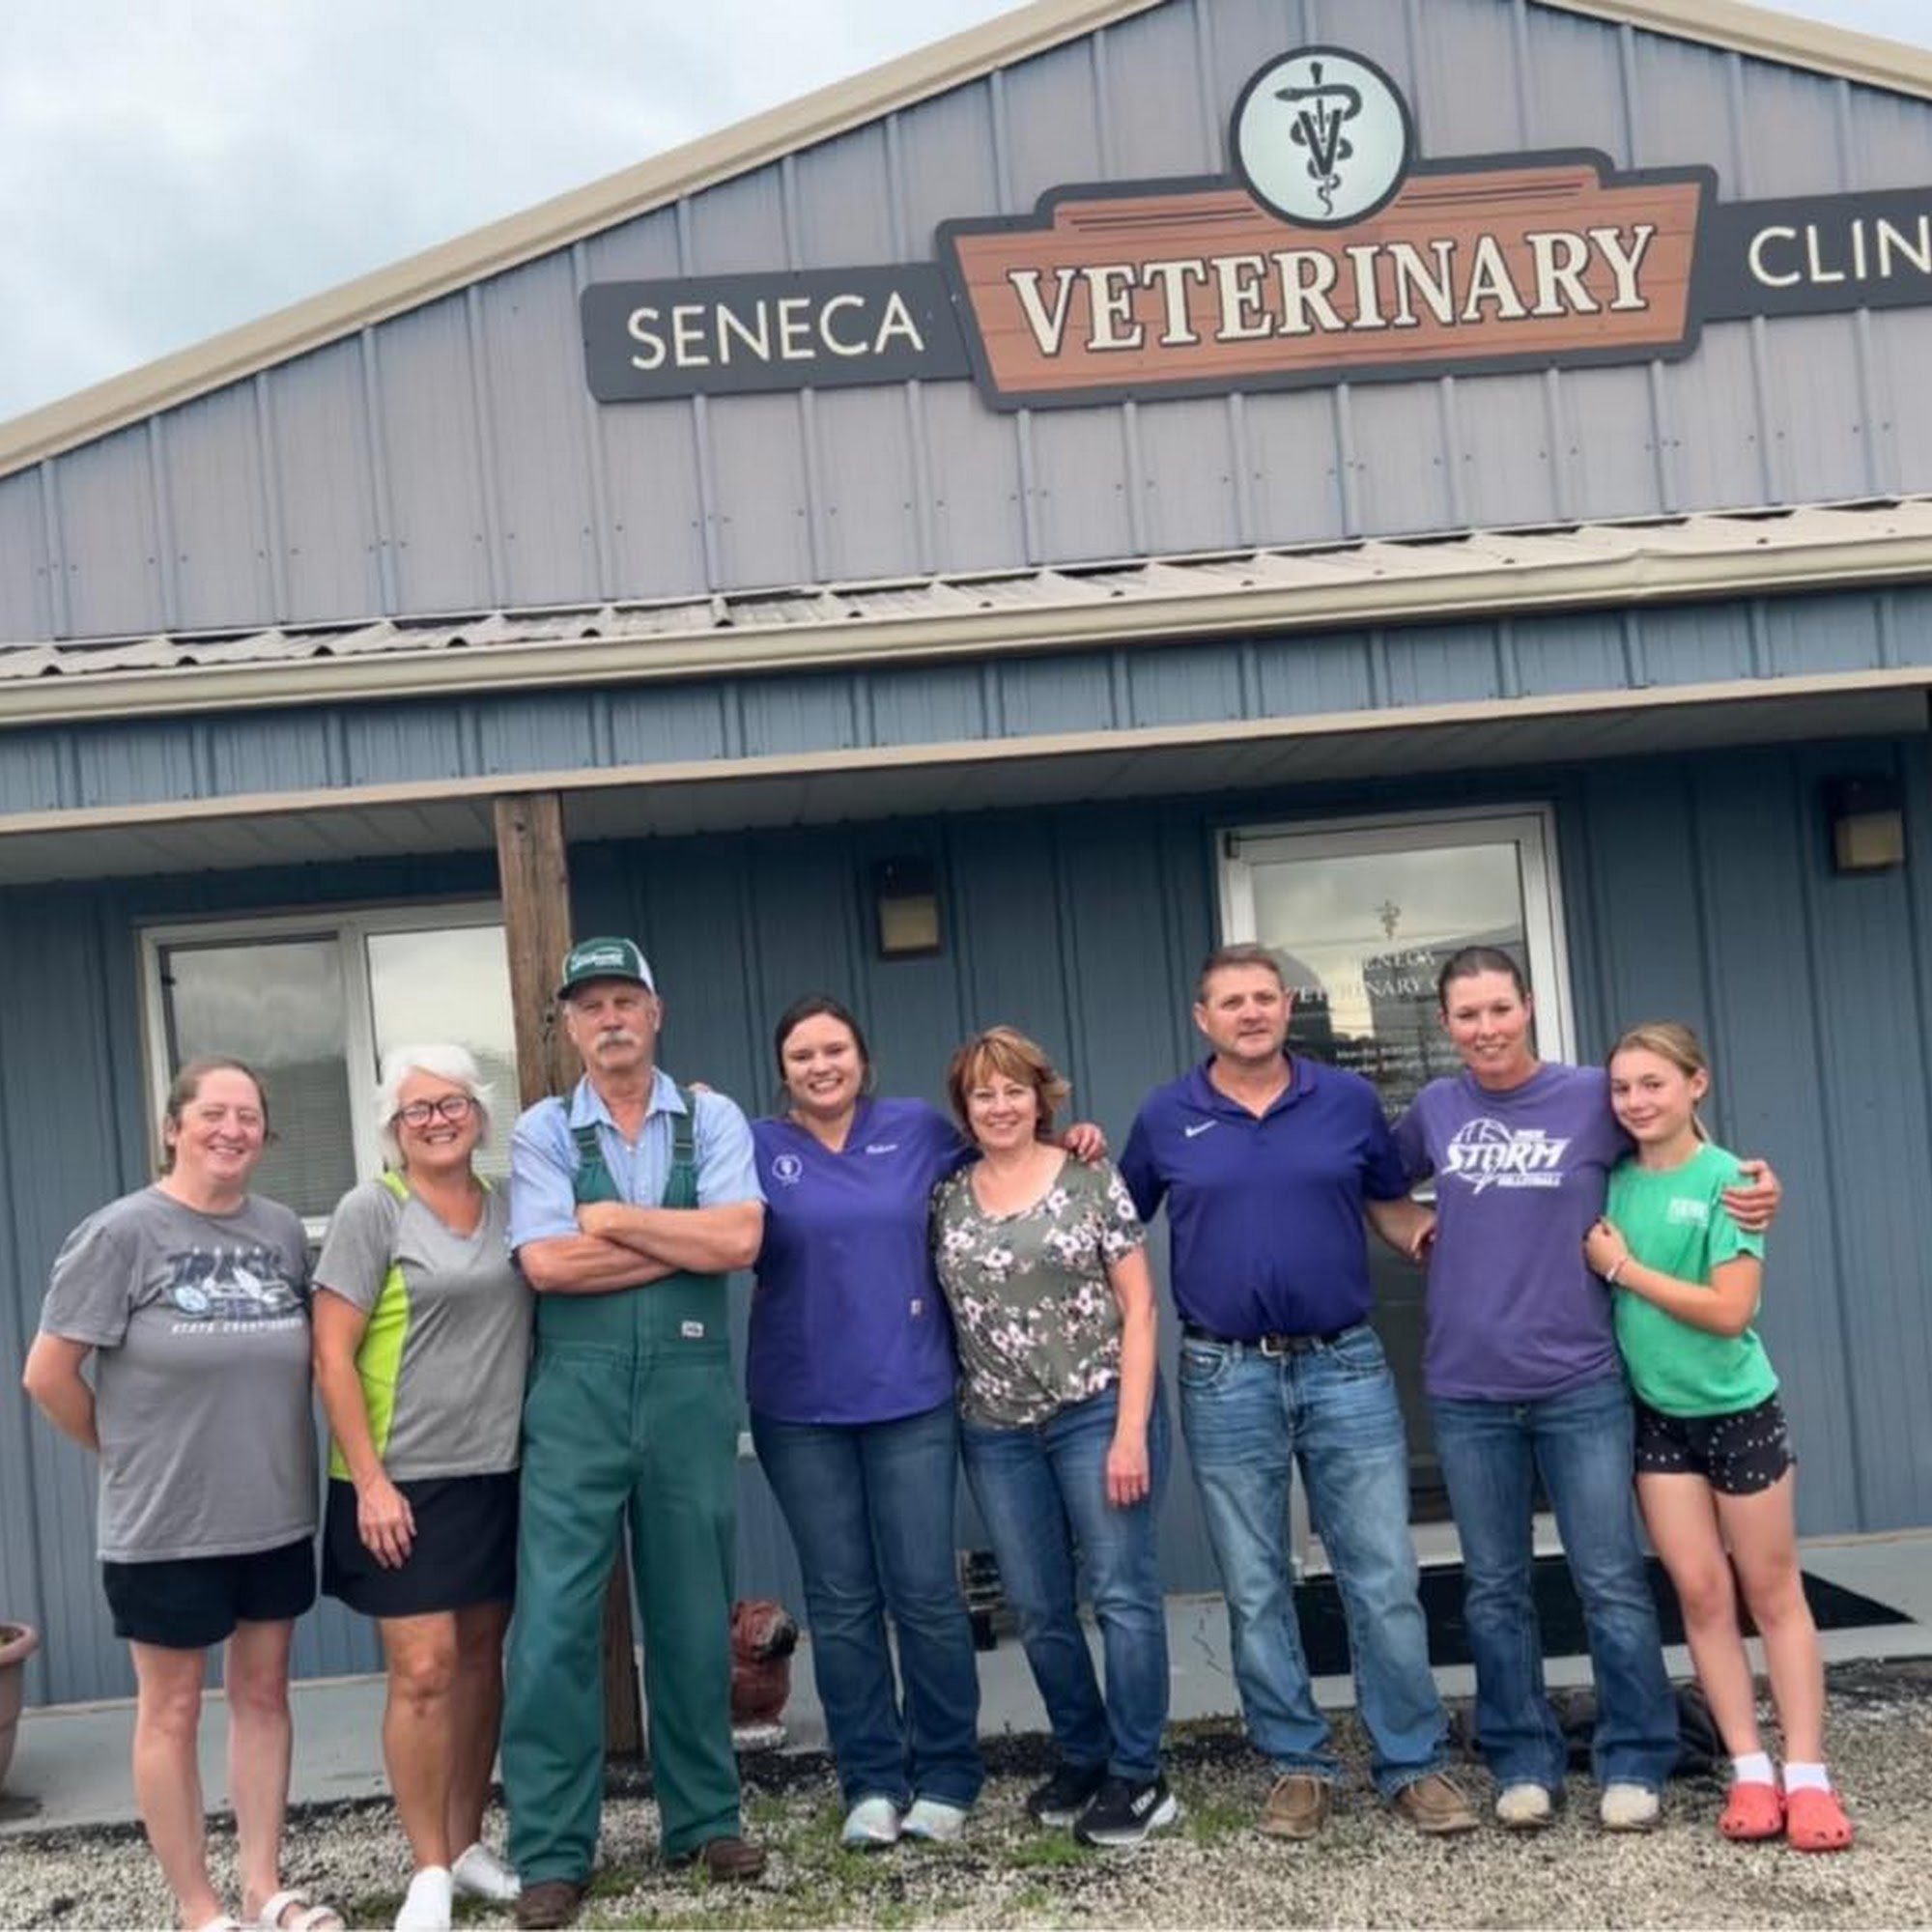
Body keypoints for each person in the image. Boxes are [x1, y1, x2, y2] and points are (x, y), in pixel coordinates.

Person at [1395, 947, 1778, 1833]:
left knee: (1609, 1578)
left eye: (1499, 1008)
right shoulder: (1435, 1109)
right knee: (1495, 1587)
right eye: (1467, 1015)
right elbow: (1373, 1182)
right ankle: (1521, 1760)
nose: (1485, 1028)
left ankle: (1636, 1756)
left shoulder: (1588, 1098)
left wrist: (1753, 1186)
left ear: (1527, 1006)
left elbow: (1676, 1145)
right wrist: (1410, 1223)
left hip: (1581, 1383)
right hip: (1468, 1388)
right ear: (1446, 1024)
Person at [1119, 945, 1478, 1841]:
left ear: (1287, 1007)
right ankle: (1298, 1764)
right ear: (1203, 1018)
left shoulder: (1347, 1101)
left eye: (1264, 997)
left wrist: (1482, 1237)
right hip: (1224, 1373)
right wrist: (1069, 1151)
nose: (1250, 1013)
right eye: (1231, 1001)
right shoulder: (1166, 1116)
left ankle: (1412, 1761)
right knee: (1255, 1584)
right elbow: (1111, 1224)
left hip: (1344, 1365)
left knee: (1383, 1575)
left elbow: (1392, 1207)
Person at [21, 1059, 342, 1932]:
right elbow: (47, 1375)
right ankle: (200, 1909)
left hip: (273, 1515)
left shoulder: (281, 1232)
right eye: (213, 1114)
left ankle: (263, 1887)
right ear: (173, 1128)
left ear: (265, 1135)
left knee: (264, 1696)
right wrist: (121, 1450)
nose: (232, 1130)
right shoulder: (120, 1233)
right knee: (169, 1710)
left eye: (248, 1117)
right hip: (164, 1524)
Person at [501, 937, 766, 1932]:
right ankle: (551, 1852)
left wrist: (609, 1219)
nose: (609, 1018)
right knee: (555, 1625)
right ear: (570, 1026)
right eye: (590, 1005)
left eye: (624, 1000)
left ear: (655, 1012)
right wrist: (679, 1237)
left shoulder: (713, 1117)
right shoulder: (540, 1130)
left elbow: (741, 1240)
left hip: (690, 1392)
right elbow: (546, 1267)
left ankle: (703, 1820)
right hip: (575, 1395)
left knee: (693, 1615)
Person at [1584, 1022, 1851, 1853]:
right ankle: (1749, 1768)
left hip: (1738, 1412)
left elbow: (1731, 1309)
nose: (1635, 1101)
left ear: (1696, 1084)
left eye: (1653, 1084)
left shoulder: (1731, 1181)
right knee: (1701, 1594)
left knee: (1772, 1593)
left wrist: (1624, 1270)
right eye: (1622, 1088)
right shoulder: (1610, 1182)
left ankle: (1807, 1774)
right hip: (1657, 1418)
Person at [746, 996, 984, 1849]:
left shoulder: (916, 1129)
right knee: (841, 1603)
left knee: (925, 1594)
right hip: (799, 1406)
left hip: (910, 1396)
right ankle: (871, 1783)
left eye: (835, 1050)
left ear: (862, 1058)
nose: (821, 1066)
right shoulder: (754, 1145)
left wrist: (1078, 1144)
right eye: (803, 1055)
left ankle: (948, 1773)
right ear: (784, 1071)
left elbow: (1006, 1158)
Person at [933, 1027, 1177, 1848]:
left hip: (1097, 1410)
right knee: (1039, 1608)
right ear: (965, 1109)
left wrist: (1130, 1432)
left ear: (1041, 1098)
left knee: (1122, 1595)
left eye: (1015, 1090)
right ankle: (1084, 1755)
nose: (1000, 1106)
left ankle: (1139, 1775)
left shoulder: (1089, 1176)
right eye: (984, 1094)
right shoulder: (947, 1195)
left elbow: (1140, 1306)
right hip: (997, 1428)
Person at [311, 1045, 530, 1930]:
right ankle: (428, 1868)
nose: (437, 1121)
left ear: (479, 1113)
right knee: (426, 1669)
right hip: (398, 1482)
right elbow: (331, 1355)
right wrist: (370, 1481)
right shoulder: (372, 1210)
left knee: (479, 1663)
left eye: (452, 1105)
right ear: (393, 1130)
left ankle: (467, 1842)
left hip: (495, 1472)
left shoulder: (510, 1204)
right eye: (418, 1111)